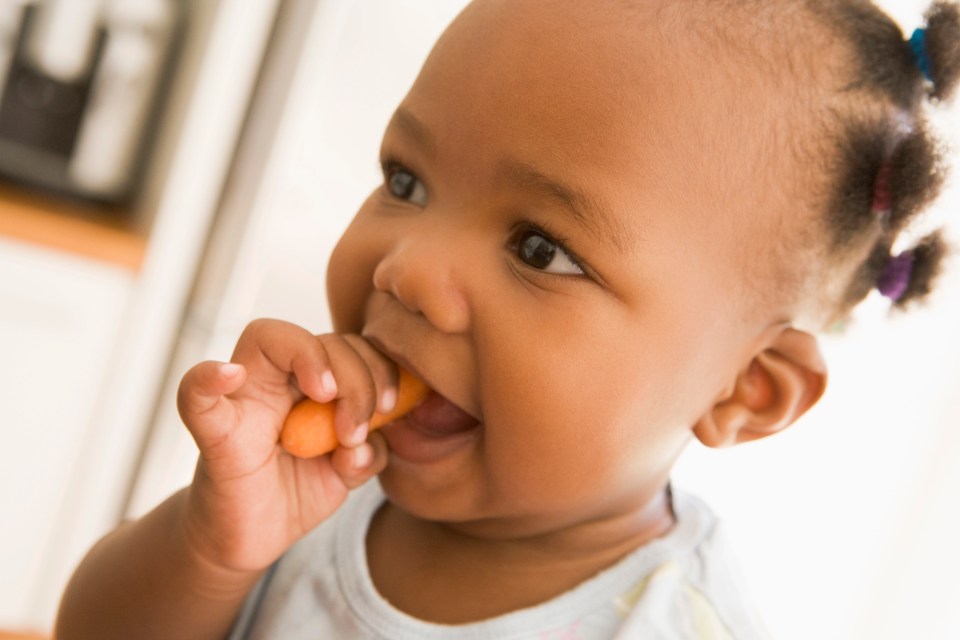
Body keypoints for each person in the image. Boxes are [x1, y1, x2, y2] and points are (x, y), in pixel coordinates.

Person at [55, 0, 960, 638]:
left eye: (540, 249)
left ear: (745, 391)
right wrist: (213, 550)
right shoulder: (323, 483)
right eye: (406, 181)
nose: (407, 269)